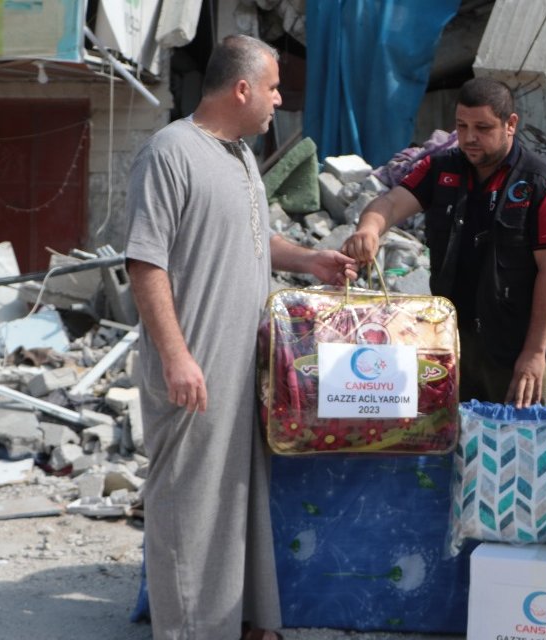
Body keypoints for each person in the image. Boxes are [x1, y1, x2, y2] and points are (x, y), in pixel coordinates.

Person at [125, 34, 356, 640]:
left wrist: (311, 261)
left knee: (236, 499)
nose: (280, 99)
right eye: (275, 87)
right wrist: (176, 357)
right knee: (188, 505)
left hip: (244, 364)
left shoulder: (243, 157)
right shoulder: (170, 151)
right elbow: (144, 263)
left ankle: (244, 621)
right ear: (243, 87)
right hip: (195, 366)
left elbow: (252, 239)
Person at [341, 78, 546, 408]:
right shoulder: (441, 169)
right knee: (451, 440)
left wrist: (535, 353)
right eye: (462, 126)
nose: (469, 138)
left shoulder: (544, 183)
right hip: (450, 340)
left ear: (511, 125)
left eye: (482, 127)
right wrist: (369, 228)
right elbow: (390, 203)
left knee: (513, 445)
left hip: (512, 348)